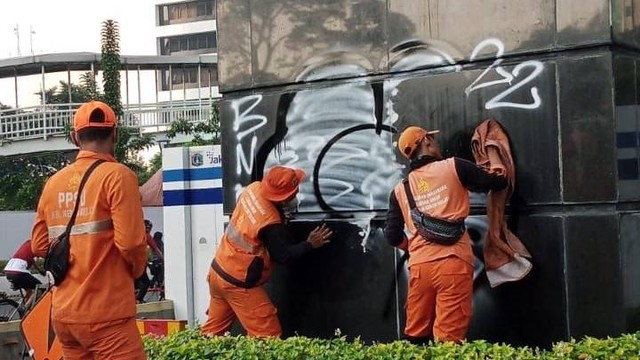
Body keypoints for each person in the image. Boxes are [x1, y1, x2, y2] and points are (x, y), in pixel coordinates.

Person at [31, 101, 148, 360]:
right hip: (108, 316)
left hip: (65, 317)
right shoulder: (118, 176)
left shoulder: (53, 184)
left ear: (75, 137)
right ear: (115, 133)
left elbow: (39, 245)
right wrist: (138, 271)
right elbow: (130, 244)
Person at [384, 126, 508, 343]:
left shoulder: (399, 190)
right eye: (433, 139)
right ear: (427, 142)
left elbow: (392, 236)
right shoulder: (454, 166)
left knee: (415, 337)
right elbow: (496, 183)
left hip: (420, 268)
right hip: (454, 264)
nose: (436, 143)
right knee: (448, 342)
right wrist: (497, 160)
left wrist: (411, 248)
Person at [202, 165, 333, 337]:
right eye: (294, 191)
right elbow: (283, 256)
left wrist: (280, 213)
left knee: (212, 335)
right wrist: (309, 244)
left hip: (217, 272)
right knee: (267, 336)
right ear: (284, 197)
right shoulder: (269, 222)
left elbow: (252, 219)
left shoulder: (252, 188)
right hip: (238, 282)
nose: (297, 193)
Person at [4, 239, 42, 306]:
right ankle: (26, 308)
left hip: (8, 272)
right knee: (40, 288)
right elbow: (43, 254)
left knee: (29, 291)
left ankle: (21, 308)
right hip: (18, 272)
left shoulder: (27, 244)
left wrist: (39, 270)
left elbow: (31, 261)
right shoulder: (36, 244)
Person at [135, 220, 164, 303]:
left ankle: (136, 299)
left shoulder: (135, 234)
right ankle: (138, 299)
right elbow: (156, 250)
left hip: (131, 264)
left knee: (136, 283)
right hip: (140, 265)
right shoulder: (147, 236)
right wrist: (164, 259)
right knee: (145, 282)